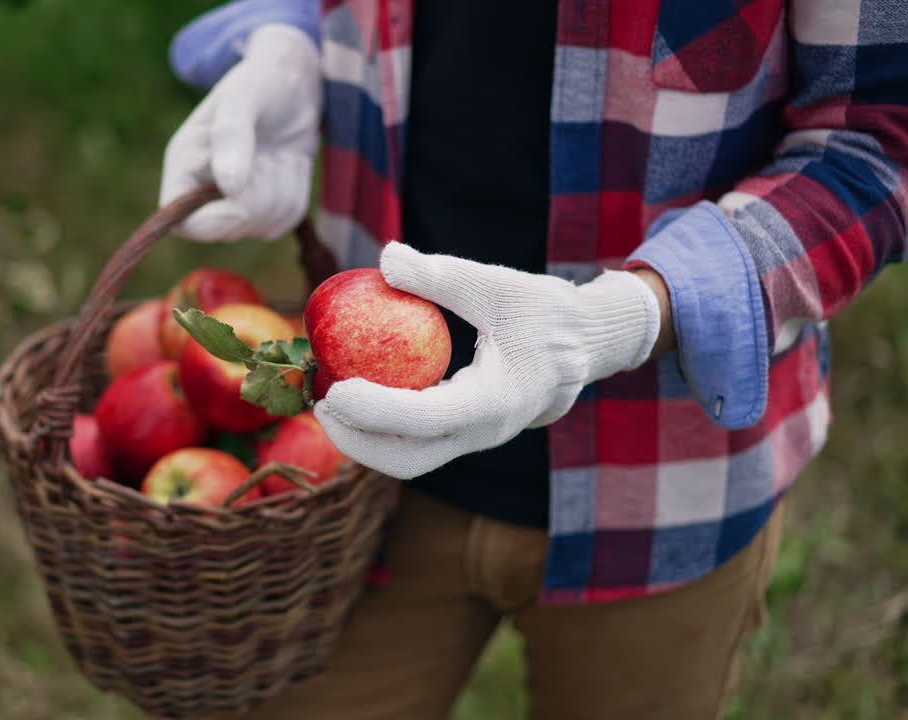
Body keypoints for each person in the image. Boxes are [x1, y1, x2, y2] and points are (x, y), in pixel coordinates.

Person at [159, 1, 908, 717]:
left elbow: (875, 146)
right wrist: (289, 40)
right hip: (353, 462)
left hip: (667, 487)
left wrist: (631, 315)